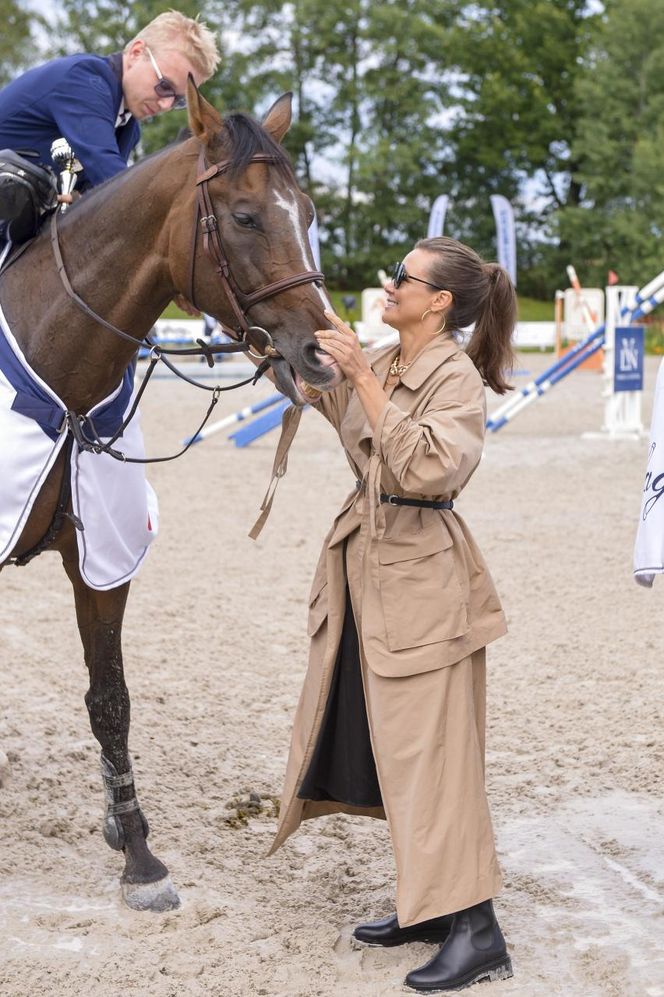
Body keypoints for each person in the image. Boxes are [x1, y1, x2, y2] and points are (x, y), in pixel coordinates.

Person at [269, 236, 517, 993]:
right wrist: (296, 349)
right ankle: (428, 907)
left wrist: (363, 382)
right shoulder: (392, 358)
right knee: (395, 749)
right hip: (371, 573)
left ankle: (477, 931)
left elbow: (426, 467)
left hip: (425, 582)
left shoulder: (457, 378)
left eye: (403, 278)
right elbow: (336, 409)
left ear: (439, 301)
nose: (391, 283)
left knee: (435, 755)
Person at [0, 10, 219, 192]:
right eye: (164, 86)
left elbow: (92, 199)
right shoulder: (83, 81)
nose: (166, 105)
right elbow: (116, 187)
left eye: (179, 101)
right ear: (136, 53)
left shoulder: (129, 129)